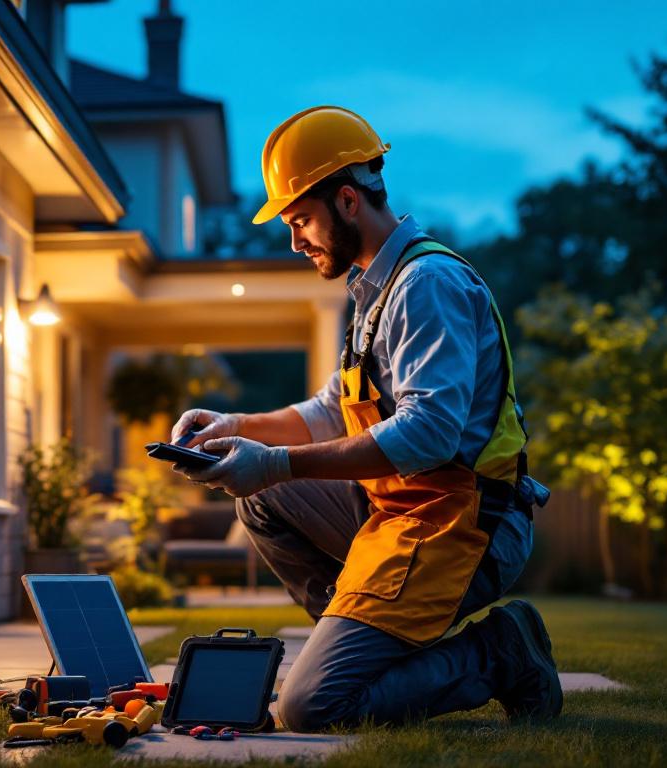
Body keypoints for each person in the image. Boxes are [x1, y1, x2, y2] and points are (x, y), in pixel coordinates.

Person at [170, 106, 560, 731]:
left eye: (300, 220)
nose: (294, 241)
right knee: (266, 502)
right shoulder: (375, 296)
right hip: (402, 515)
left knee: (312, 708)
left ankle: (498, 652)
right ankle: (361, 648)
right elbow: (329, 411)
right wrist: (237, 424)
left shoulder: (426, 285)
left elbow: (429, 434)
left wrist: (273, 464)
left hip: (463, 525)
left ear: (347, 200)